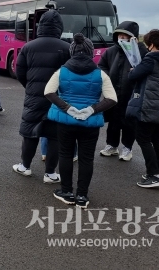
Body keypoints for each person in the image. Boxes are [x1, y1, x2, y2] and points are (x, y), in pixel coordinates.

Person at [45, 33, 117, 208]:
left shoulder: (61, 71)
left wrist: (67, 108)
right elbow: (112, 99)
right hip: (90, 123)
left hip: (65, 122)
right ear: (91, 52)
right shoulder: (100, 74)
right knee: (86, 159)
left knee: (65, 154)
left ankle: (67, 192)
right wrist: (92, 109)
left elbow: (48, 92)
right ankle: (82, 196)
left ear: (72, 51)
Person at [12, 10, 70, 181]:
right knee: (54, 136)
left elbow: (19, 71)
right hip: (58, 98)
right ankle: (50, 173)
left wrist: (29, 87)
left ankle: (25, 166)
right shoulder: (67, 48)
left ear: (40, 26)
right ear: (59, 27)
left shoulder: (28, 47)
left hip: (34, 96)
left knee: (30, 132)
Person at [127, 29, 159, 188]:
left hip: (150, 105)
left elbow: (133, 76)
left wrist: (133, 70)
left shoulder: (150, 60)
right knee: (158, 138)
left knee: (143, 139)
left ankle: (154, 175)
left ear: (151, 45)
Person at [97, 21, 148, 161]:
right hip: (113, 92)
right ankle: (111, 145)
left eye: (125, 36)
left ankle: (127, 148)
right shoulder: (111, 51)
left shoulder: (140, 51)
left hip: (131, 92)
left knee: (129, 121)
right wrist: (106, 77)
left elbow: (146, 67)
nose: (121, 38)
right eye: (119, 35)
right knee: (113, 121)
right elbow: (101, 65)